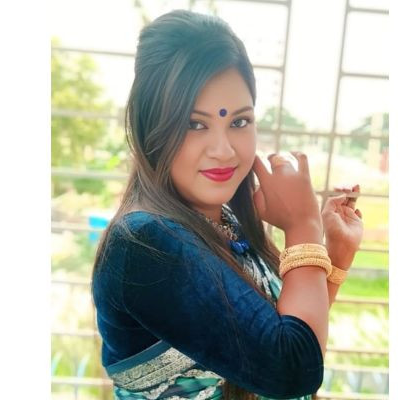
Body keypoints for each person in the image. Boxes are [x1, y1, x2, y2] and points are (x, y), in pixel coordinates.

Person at [91, 9, 363, 400]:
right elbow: (291, 371)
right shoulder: (144, 243)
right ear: (151, 127)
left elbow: (281, 342)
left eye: (238, 122)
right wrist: (303, 227)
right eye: (195, 124)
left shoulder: (225, 221)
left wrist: (333, 257)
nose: (223, 150)